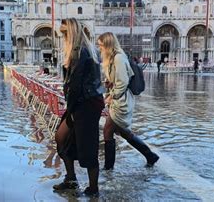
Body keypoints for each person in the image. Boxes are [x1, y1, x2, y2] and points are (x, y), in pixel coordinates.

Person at [53, 18, 105, 197]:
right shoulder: (81, 51)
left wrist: (72, 111)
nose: (63, 37)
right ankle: (71, 179)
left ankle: (93, 188)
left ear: (72, 33)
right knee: (61, 137)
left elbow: (75, 85)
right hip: (82, 103)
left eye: (65, 34)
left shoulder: (80, 52)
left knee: (88, 145)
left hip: (86, 104)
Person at [97, 32, 159, 171]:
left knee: (108, 131)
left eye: (101, 46)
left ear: (108, 45)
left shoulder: (118, 58)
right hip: (118, 100)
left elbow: (122, 83)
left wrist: (111, 96)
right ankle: (150, 155)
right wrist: (108, 83)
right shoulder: (113, 58)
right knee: (124, 133)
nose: (100, 48)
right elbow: (117, 79)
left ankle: (108, 167)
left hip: (121, 101)